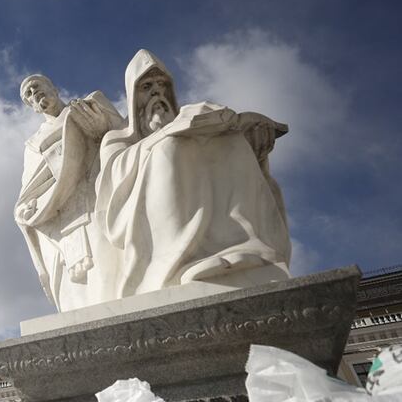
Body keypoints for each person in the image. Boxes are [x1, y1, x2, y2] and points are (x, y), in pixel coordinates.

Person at [95, 49, 292, 299]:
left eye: (161, 85)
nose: (157, 92)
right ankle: (179, 263)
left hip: (191, 160)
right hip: (139, 204)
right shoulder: (118, 137)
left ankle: (243, 245)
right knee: (170, 149)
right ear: (134, 96)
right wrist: (164, 135)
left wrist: (254, 138)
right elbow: (113, 178)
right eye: (146, 86)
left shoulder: (190, 123)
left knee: (230, 141)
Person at [16, 74, 123, 311]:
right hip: (59, 215)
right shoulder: (33, 144)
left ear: (53, 87)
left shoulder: (87, 107)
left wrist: (101, 130)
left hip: (97, 194)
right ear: (31, 107)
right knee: (76, 288)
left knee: (108, 265)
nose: (35, 94)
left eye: (37, 87)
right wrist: (26, 209)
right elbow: (29, 187)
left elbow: (128, 137)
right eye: (29, 95)